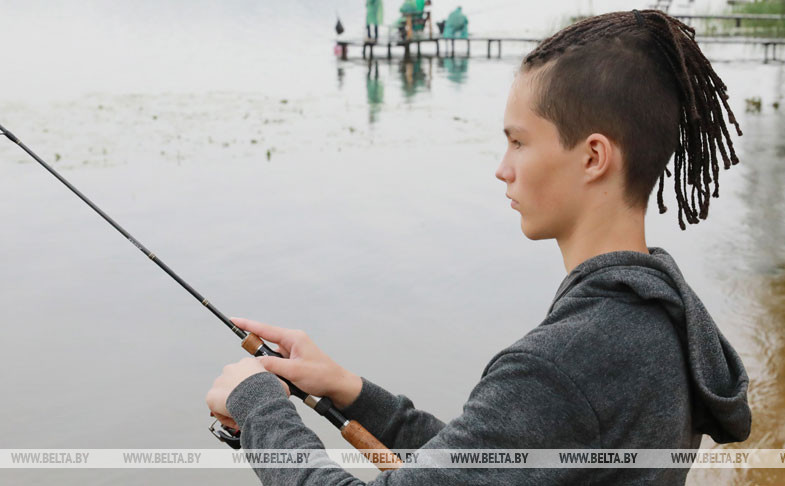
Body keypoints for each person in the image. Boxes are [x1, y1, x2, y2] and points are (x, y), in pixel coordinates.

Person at [206, 9, 752, 484]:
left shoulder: (563, 362)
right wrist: (347, 389)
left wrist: (258, 407)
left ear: (593, 158)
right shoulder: (657, 318)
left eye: (519, 141)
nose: (502, 168)